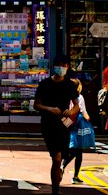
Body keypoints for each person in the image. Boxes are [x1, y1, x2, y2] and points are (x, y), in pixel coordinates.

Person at [34, 56, 79, 192]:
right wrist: (50, 109)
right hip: (49, 124)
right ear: (54, 67)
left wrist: (70, 111)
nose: (61, 68)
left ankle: (57, 174)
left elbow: (77, 106)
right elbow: (36, 105)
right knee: (56, 158)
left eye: (64, 65)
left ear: (68, 67)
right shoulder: (44, 84)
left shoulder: (70, 85)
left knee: (62, 156)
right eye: (59, 65)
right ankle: (55, 189)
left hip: (64, 124)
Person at [64, 71, 94, 184]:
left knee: (71, 149)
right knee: (78, 151)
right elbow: (83, 112)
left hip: (67, 123)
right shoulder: (79, 97)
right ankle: (75, 176)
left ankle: (62, 166)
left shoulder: (65, 96)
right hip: (77, 124)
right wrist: (88, 118)